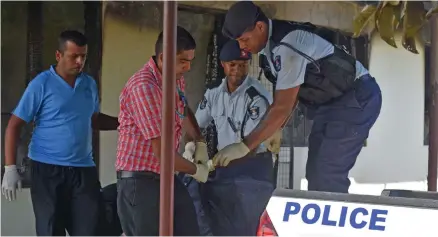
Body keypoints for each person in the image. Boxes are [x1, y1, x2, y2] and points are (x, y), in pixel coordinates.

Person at [215, 1, 382, 193]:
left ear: (260, 27)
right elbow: (291, 93)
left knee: (327, 173)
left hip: (357, 96)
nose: (242, 47)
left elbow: (282, 106)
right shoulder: (269, 50)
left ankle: (333, 221)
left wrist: (244, 146)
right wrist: (276, 128)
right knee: (316, 172)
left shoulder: (289, 45)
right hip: (330, 103)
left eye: (244, 40)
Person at [2, 30, 119, 236]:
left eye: (83, 56)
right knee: (51, 230)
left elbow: (93, 119)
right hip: (47, 170)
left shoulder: (89, 84)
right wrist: (10, 168)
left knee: (91, 229)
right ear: (59, 55)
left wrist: (125, 123)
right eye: (74, 56)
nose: (80, 61)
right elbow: (14, 125)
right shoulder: (42, 84)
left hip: (83, 170)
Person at [116, 26, 210, 236]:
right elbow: (163, 154)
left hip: (164, 177)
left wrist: (199, 141)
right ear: (163, 58)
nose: (187, 67)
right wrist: (196, 170)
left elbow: (183, 108)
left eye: (190, 61)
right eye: (183, 61)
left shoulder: (175, 79)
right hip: (139, 183)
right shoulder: (144, 87)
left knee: (189, 230)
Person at [186, 40, 280, 236]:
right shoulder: (213, 93)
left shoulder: (256, 97)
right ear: (222, 64)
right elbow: (196, 125)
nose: (238, 70)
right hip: (226, 171)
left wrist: (215, 163)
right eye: (232, 65)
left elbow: (252, 145)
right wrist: (193, 146)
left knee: (247, 229)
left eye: (243, 65)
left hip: (252, 172)